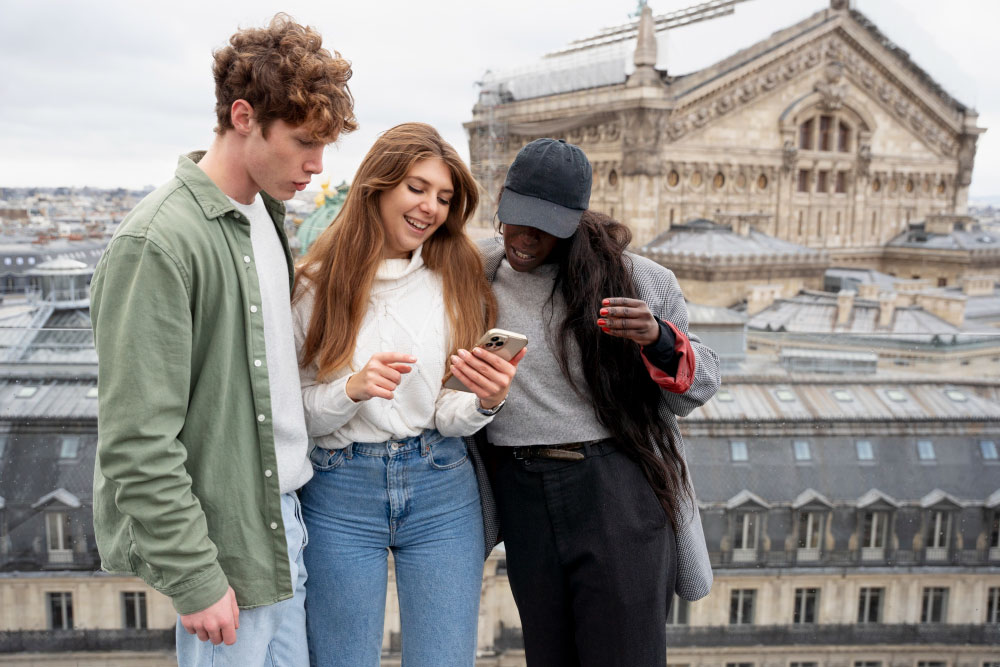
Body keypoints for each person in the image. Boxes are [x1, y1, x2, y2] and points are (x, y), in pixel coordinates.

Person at [89, 14, 356, 665]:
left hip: (282, 521)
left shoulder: (266, 214)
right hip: (224, 545)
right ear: (243, 116)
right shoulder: (158, 240)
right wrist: (195, 576)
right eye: (302, 141)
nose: (318, 166)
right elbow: (136, 436)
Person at [480, 138, 720, 666]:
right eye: (514, 218)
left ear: (574, 219)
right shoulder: (477, 271)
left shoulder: (641, 281)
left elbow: (702, 386)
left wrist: (657, 338)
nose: (523, 238)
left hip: (614, 489)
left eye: (543, 226)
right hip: (523, 495)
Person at [292, 122, 524, 667]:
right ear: (379, 184)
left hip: (440, 485)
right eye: (417, 188)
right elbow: (297, 416)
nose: (431, 208)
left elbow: (446, 412)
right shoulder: (311, 285)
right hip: (339, 489)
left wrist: (486, 401)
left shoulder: (457, 277)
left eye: (444, 197)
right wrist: (351, 389)